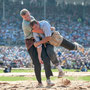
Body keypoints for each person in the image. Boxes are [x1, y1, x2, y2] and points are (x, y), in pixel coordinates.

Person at [20, 9, 54, 87]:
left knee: (46, 58)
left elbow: (38, 26)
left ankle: (48, 80)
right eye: (25, 17)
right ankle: (39, 82)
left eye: (28, 15)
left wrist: (48, 29)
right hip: (30, 42)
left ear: (29, 13)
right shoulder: (25, 24)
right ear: (22, 17)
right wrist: (49, 29)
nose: (28, 18)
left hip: (37, 39)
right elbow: (37, 30)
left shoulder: (32, 17)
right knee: (37, 63)